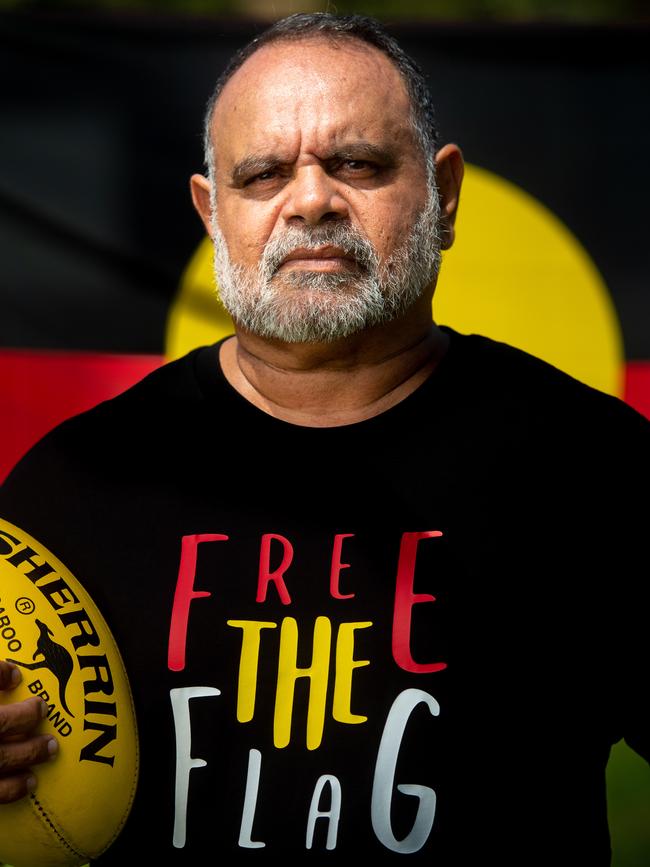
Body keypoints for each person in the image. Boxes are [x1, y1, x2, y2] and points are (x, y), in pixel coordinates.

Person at [0, 12, 648, 866]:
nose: (310, 200)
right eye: (263, 174)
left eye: (357, 164)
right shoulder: (76, 483)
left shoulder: (594, 466)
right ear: (211, 212)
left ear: (444, 195)